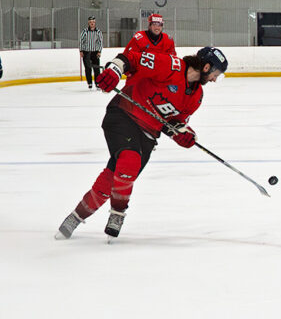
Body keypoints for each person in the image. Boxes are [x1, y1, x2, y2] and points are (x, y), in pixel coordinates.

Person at [55, 46, 228, 241]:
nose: (214, 79)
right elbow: (131, 59)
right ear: (206, 67)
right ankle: (118, 214)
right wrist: (113, 71)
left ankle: (76, 217)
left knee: (115, 178)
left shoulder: (196, 97)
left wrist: (184, 134)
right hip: (124, 114)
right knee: (129, 161)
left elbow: (173, 123)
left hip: (148, 134)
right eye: (216, 73)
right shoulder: (171, 66)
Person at [79, 16, 103, 90]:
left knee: (96, 69)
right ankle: (89, 83)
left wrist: (99, 51)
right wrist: (81, 51)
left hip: (95, 53)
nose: (92, 23)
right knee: (88, 68)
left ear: (95, 23)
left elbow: (100, 42)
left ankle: (97, 83)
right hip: (86, 53)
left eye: (93, 22)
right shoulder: (85, 31)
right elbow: (81, 41)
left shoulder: (98, 31)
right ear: (88, 23)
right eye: (90, 22)